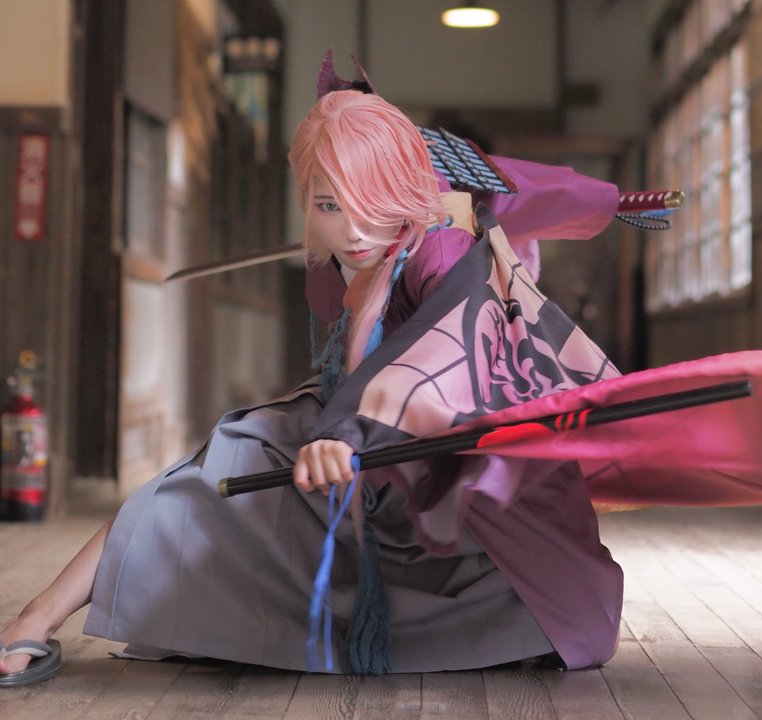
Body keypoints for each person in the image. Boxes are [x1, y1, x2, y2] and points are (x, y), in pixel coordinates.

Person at [0, 87, 626, 684]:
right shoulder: (344, 256)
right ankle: (38, 616)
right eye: (328, 206)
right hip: (353, 434)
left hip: (451, 467)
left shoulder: (444, 251)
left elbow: (438, 346)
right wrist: (339, 429)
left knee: (533, 610)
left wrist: (348, 431)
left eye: (373, 201)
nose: (352, 230)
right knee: (223, 461)